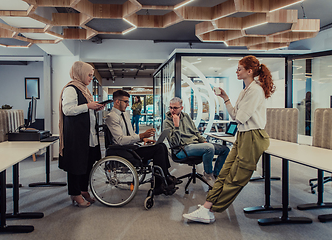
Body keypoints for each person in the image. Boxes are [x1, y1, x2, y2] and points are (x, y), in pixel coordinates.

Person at [183, 55, 274, 223]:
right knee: (224, 174)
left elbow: (240, 118)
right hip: (243, 135)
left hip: (253, 136)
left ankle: (210, 208)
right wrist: (225, 98)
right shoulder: (245, 90)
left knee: (236, 178)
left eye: (239, 69)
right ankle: (206, 208)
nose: (237, 71)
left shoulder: (255, 90)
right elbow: (234, 115)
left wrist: (237, 112)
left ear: (250, 71)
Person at [105, 90, 181, 195]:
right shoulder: (111, 117)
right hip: (123, 151)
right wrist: (141, 136)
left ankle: (165, 176)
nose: (128, 104)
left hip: (132, 147)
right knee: (158, 149)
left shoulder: (125, 114)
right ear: (117, 102)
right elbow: (120, 140)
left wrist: (143, 139)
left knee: (161, 146)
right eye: (126, 102)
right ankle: (162, 182)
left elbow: (130, 134)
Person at [58, 61, 105, 208]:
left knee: (87, 163)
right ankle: (75, 194)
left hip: (88, 134)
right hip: (76, 136)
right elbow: (68, 110)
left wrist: (94, 108)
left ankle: (84, 190)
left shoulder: (84, 89)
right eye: (89, 75)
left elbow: (83, 109)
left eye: (92, 75)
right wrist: (88, 106)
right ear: (80, 73)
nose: (91, 78)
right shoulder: (71, 89)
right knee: (76, 166)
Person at [163, 97, 230, 184]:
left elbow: (195, 131)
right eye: (171, 107)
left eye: (175, 108)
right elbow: (174, 143)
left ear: (181, 108)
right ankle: (208, 175)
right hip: (182, 149)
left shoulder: (186, 116)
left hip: (195, 144)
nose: (172, 110)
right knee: (209, 148)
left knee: (225, 150)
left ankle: (216, 175)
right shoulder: (167, 122)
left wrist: (203, 141)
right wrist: (176, 126)